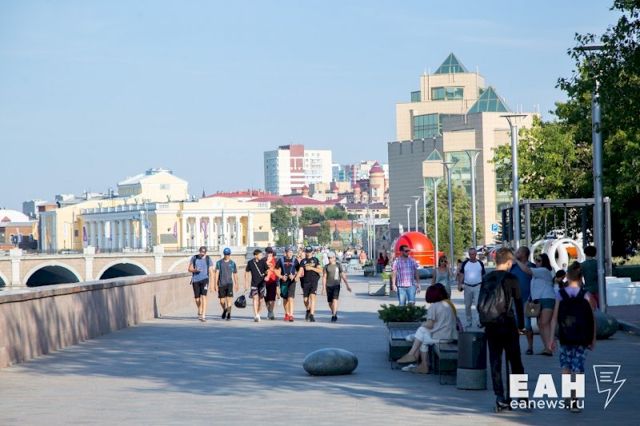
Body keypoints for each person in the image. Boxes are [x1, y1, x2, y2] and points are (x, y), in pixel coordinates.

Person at [479, 247, 526, 410]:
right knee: (515, 361)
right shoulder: (512, 278)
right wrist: (521, 326)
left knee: (495, 361)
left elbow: (481, 303)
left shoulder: (487, 278)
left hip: (491, 325)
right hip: (507, 323)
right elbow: (518, 303)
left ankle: (499, 396)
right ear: (509, 262)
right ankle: (520, 396)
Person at [548, 262, 596, 413]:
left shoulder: (560, 294)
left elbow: (554, 318)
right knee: (578, 368)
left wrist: (551, 338)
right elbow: (592, 319)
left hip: (565, 336)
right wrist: (593, 338)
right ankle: (575, 400)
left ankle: (568, 395)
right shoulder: (586, 295)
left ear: (567, 277)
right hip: (582, 337)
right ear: (581, 278)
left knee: (566, 367)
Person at [396, 283, 458, 374]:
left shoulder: (434, 306)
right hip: (450, 336)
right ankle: (419, 362)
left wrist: (422, 324)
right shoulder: (448, 304)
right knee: (422, 336)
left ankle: (415, 358)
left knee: (421, 332)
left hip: (441, 337)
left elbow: (430, 324)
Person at [520, 253, 556, 356]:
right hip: (538, 300)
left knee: (544, 323)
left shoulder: (544, 270)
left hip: (547, 298)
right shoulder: (538, 272)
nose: (536, 262)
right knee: (540, 323)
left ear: (544, 262)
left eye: (539, 260)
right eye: (536, 260)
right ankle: (546, 347)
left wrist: (516, 261)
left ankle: (549, 348)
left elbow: (526, 270)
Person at [511, 246, 536, 354]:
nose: (516, 253)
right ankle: (515, 347)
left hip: (527, 299)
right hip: (514, 300)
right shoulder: (513, 267)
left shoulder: (531, 266)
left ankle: (530, 347)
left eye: (518, 252)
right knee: (515, 325)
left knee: (527, 325)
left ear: (524, 254)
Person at [457, 248, 486, 328]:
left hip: (478, 286)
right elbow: (461, 274)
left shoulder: (480, 263)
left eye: (473, 254)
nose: (471, 256)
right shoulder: (465, 263)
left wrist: (484, 285)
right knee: (467, 305)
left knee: (478, 305)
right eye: (470, 254)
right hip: (467, 287)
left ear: (476, 254)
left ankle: (478, 322)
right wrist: (459, 284)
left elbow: (483, 275)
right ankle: (469, 321)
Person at [323, 252, 352, 322]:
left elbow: (343, 275)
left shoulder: (338, 265)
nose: (330, 259)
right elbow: (324, 277)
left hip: (336, 285)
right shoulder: (326, 267)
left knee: (335, 299)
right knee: (330, 302)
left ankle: (334, 315)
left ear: (334, 258)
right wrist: (323, 288)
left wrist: (347, 285)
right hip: (328, 285)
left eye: (331, 258)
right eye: (328, 258)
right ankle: (334, 312)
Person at [187, 246, 214, 322]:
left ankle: (203, 315)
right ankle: (200, 308)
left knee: (204, 297)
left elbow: (211, 272)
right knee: (197, 299)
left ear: (206, 252)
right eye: (201, 252)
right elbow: (189, 269)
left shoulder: (208, 259)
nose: (202, 254)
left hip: (205, 279)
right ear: (199, 251)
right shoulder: (194, 258)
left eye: (204, 253)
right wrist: (195, 270)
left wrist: (212, 285)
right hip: (195, 280)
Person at [213, 247, 239, 321]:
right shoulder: (219, 263)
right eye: (225, 254)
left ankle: (229, 315)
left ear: (230, 254)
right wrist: (215, 284)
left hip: (229, 283)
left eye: (228, 254)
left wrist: (236, 284)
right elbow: (217, 274)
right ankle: (225, 309)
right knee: (222, 301)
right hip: (221, 284)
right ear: (223, 254)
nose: (226, 255)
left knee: (229, 300)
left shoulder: (232, 263)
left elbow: (235, 274)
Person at [275, 246, 299, 322]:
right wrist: (281, 277)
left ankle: (291, 315)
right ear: (285, 253)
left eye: (291, 252)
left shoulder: (295, 260)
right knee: (285, 299)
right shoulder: (281, 260)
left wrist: (294, 276)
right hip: (284, 281)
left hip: (292, 281)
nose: (290, 253)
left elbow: (299, 271)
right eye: (289, 252)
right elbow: (275, 270)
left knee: (290, 298)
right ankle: (287, 314)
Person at [298, 246, 322, 322]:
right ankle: (308, 310)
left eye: (309, 252)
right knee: (305, 300)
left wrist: (311, 268)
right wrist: (296, 277)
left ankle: (312, 315)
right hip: (305, 281)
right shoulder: (303, 261)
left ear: (312, 252)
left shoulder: (315, 260)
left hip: (314, 281)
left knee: (312, 296)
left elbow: (320, 270)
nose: (308, 253)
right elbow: (300, 270)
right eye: (307, 252)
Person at [245, 248, 268, 322]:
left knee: (261, 300)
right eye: (260, 255)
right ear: (255, 255)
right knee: (255, 298)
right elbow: (246, 272)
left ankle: (258, 313)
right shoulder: (250, 263)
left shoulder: (263, 262)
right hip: (254, 283)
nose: (261, 256)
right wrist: (246, 283)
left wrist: (267, 276)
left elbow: (267, 270)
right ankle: (256, 315)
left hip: (262, 283)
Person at [263, 246, 279, 320]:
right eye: (268, 253)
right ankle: (269, 311)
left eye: (271, 253)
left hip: (272, 280)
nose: (269, 254)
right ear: (265, 253)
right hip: (264, 281)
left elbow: (276, 270)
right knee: (266, 298)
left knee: (272, 298)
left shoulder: (275, 260)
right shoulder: (263, 260)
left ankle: (271, 312)